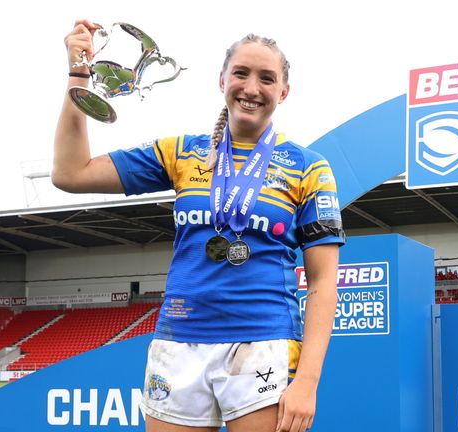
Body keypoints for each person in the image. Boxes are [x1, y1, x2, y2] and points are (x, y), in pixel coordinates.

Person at [54, 20, 345, 432]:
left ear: (283, 92)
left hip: (262, 345)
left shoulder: (309, 167)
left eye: (267, 78)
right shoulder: (180, 152)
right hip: (179, 342)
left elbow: (322, 283)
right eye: (241, 73)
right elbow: (71, 173)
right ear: (222, 79)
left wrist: (308, 383)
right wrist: (79, 76)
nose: (251, 87)